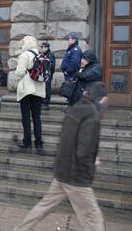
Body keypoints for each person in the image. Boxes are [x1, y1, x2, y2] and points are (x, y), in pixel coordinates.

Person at [15, 82, 109, 231]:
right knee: (93, 216)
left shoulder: (75, 109)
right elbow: (84, 151)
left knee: (44, 206)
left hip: (62, 169)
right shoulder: (92, 115)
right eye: (105, 100)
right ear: (100, 98)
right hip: (76, 176)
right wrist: (92, 163)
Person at [14, 36, 45, 155]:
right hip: (39, 89)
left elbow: (19, 72)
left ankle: (27, 142)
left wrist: (18, 70)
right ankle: (38, 143)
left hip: (27, 89)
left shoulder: (25, 55)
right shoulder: (41, 54)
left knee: (26, 117)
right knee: (37, 117)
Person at [40, 42, 56, 110]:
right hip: (42, 74)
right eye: (41, 47)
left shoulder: (50, 55)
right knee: (42, 88)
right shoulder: (42, 54)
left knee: (47, 89)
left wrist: (45, 61)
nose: (41, 48)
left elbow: (52, 65)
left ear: (47, 48)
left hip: (47, 74)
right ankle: (41, 102)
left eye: (43, 47)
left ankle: (46, 103)